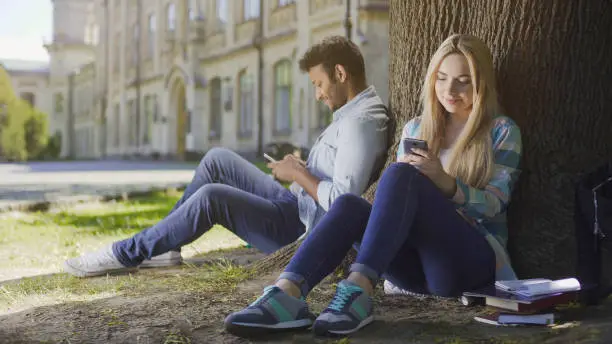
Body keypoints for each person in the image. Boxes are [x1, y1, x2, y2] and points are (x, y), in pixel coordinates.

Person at [224, 33, 523, 337]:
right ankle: (286, 294)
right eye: (442, 78)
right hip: (417, 271)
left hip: (468, 261)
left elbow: (495, 204)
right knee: (350, 204)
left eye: (463, 81)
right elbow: (398, 203)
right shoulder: (417, 128)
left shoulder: (501, 131)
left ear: (481, 83)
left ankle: (357, 291)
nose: (450, 90)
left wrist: (444, 181)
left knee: (399, 175)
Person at [63, 36, 389, 277]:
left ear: (341, 74)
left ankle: (126, 253)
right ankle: (166, 243)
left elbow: (344, 202)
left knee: (211, 198)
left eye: (319, 84)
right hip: (296, 201)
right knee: (216, 158)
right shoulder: (351, 112)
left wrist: (298, 174)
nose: (318, 94)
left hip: (298, 226)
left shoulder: (361, 124)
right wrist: (303, 168)